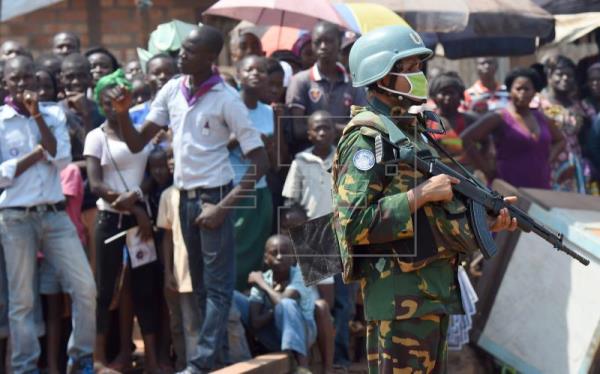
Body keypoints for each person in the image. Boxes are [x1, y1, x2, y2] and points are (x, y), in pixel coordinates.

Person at [333, 25, 518, 373]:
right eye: (409, 68)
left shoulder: (412, 131)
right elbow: (354, 222)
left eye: (420, 66)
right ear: (381, 73)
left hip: (429, 291)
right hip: (397, 297)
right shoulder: (367, 139)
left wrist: (486, 222)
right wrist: (419, 194)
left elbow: (434, 219)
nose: (419, 76)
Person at [106, 25, 269, 374]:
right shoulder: (171, 90)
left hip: (215, 198)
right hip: (184, 199)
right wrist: (122, 112)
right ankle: (218, 359)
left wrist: (223, 209)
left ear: (210, 58)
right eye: (182, 49)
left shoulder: (227, 99)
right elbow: (137, 143)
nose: (181, 55)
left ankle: (201, 361)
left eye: (190, 51)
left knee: (218, 287)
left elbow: (260, 162)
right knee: (198, 286)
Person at [0, 55, 96, 374]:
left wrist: (37, 116)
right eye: (18, 79)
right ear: (6, 85)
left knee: (84, 288)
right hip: (16, 218)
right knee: (23, 300)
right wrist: (34, 155)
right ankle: (24, 367)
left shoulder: (53, 113)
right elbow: (1, 176)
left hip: (55, 216)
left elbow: (61, 158)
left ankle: (80, 358)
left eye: (30, 78)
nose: (26, 84)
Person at [84, 69, 161, 373]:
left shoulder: (142, 133)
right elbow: (95, 184)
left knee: (144, 289)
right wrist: (134, 208)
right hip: (110, 219)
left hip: (139, 223)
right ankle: (99, 358)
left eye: (119, 100)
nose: (113, 106)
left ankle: (152, 357)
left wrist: (139, 195)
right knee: (104, 291)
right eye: (107, 101)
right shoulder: (95, 137)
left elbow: (154, 175)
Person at [281, 110, 337, 373]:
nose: (323, 133)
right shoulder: (301, 161)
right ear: (310, 133)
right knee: (319, 303)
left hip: (342, 236)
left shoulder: (344, 158)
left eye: (327, 127)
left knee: (343, 304)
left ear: (334, 131)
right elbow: (291, 201)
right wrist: (296, 216)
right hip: (312, 238)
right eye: (318, 129)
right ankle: (317, 360)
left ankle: (342, 357)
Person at [461, 68, 566, 189]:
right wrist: (488, 172)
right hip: (509, 188)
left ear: (534, 92)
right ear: (510, 91)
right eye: (518, 89)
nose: (522, 93)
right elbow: (466, 138)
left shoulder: (541, 118)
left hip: (540, 185)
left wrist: (548, 160)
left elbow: (561, 140)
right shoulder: (499, 117)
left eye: (526, 89)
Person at [233, 235, 316, 374]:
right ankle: (240, 356)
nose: (279, 257)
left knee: (287, 305)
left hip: (304, 334)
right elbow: (255, 322)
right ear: (266, 258)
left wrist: (262, 285)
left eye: (284, 252)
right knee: (232, 296)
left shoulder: (300, 275)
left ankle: (303, 367)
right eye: (274, 253)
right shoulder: (265, 278)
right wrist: (274, 309)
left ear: (293, 257)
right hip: (274, 335)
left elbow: (283, 302)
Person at [286, 21, 367, 156]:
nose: (323, 46)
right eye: (318, 42)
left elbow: (360, 127)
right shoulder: (300, 81)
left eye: (329, 41)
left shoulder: (354, 84)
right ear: (312, 45)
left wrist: (324, 129)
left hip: (345, 157)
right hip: (309, 159)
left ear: (339, 43)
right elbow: (298, 129)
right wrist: (338, 129)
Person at [231, 55, 274, 291]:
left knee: (258, 254)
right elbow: (217, 147)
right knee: (234, 254)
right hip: (235, 191)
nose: (256, 74)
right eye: (249, 69)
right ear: (239, 76)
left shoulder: (268, 112)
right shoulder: (229, 105)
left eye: (261, 70)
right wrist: (246, 139)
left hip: (261, 191)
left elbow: (276, 161)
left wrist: (267, 145)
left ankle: (253, 309)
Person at [156, 163, 202, 372]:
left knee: (191, 324)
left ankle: (194, 366)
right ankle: (182, 364)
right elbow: (166, 235)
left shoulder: (203, 191)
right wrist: (167, 272)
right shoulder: (168, 195)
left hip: (196, 272)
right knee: (177, 324)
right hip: (177, 271)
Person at [538, 55, 589, 193]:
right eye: (560, 74)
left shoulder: (576, 104)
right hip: (551, 163)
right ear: (549, 74)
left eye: (569, 75)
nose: (565, 78)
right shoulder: (538, 103)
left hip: (575, 166)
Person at [429, 72, 478, 162]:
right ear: (434, 96)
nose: (448, 97)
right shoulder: (427, 121)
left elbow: (484, 144)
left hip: (467, 172)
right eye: (443, 93)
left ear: (460, 96)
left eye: (452, 93)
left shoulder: (470, 120)